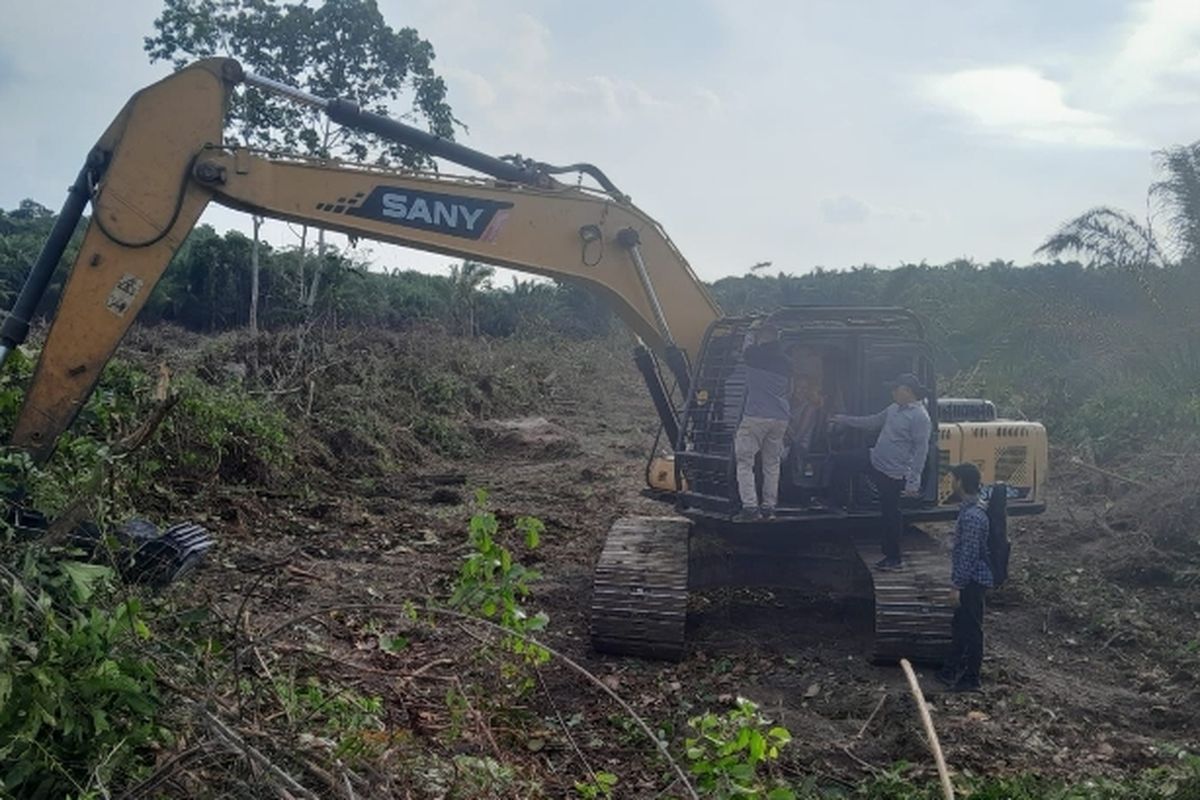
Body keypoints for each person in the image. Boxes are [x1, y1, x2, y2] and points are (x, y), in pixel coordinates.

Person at [829, 373, 932, 569]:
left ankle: (893, 557)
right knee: (841, 461)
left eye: (896, 389)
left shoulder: (920, 417)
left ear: (908, 391)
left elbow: (921, 450)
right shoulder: (894, 408)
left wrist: (913, 481)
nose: (893, 392)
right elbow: (871, 421)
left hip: (893, 471)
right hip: (874, 458)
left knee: (890, 513)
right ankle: (837, 503)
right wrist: (842, 419)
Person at [937, 463, 994, 692]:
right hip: (971, 579)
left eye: (953, 478)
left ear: (960, 482)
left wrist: (956, 585)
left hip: (972, 581)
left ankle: (971, 678)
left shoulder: (972, 516)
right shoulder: (970, 510)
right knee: (960, 625)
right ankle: (951, 670)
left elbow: (968, 555)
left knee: (971, 629)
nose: (951, 482)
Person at [733, 323, 792, 521]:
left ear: (762, 337)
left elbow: (746, 349)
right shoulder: (786, 361)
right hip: (780, 418)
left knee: (744, 462)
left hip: (756, 416)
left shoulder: (755, 355)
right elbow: (789, 391)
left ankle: (750, 508)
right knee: (772, 464)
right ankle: (769, 507)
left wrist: (750, 330)